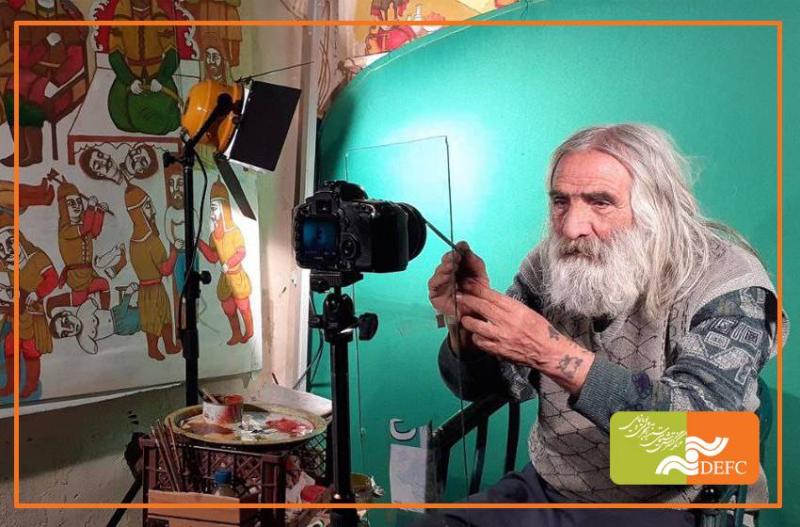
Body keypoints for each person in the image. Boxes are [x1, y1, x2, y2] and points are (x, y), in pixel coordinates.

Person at [424, 124, 787, 526]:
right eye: (560, 202)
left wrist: (550, 352)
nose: (571, 227)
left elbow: (699, 445)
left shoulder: (728, 283)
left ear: (658, 208)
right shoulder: (551, 261)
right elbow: (491, 385)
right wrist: (465, 325)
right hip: (550, 488)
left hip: (677, 504)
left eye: (600, 202)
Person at [125, 183, 181, 360]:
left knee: (161, 318)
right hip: (154, 288)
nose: (154, 210)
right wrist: (174, 251)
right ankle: (154, 349)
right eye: (148, 206)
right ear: (138, 212)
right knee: (155, 320)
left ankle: (168, 346)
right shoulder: (151, 241)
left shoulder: (133, 241)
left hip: (146, 289)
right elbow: (165, 269)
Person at [198, 180, 253, 345]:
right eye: (211, 208)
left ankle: (249, 331)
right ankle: (236, 333)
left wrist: (229, 263)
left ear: (224, 208)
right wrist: (199, 243)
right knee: (229, 308)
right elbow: (213, 257)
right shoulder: (214, 235)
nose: (212, 212)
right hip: (225, 278)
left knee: (243, 306)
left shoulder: (234, 231)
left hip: (236, 276)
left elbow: (241, 252)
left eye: (215, 208)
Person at [49, 282, 140, 354]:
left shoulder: (82, 312)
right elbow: (93, 349)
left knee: (136, 315)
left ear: (66, 313)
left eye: (66, 322)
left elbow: (93, 303)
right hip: (119, 328)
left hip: (116, 313)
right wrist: (84, 340)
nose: (70, 328)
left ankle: (128, 294)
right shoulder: (82, 339)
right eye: (65, 333)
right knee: (136, 324)